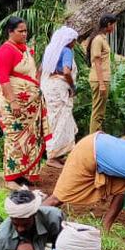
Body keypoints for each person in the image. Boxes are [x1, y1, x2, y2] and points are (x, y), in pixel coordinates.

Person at [0, 17, 47, 188]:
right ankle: (13, 176)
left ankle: (24, 172)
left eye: (26, 31)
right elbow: (4, 79)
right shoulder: (5, 51)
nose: (25, 34)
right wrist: (14, 102)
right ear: (10, 32)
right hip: (14, 105)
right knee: (14, 138)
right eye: (21, 31)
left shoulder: (25, 49)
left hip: (30, 109)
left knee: (30, 138)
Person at [39, 26, 79, 168]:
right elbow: (67, 71)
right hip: (59, 88)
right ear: (69, 40)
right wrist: (73, 87)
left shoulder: (51, 50)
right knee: (61, 120)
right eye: (74, 40)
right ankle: (53, 156)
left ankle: (56, 153)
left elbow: (41, 70)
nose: (75, 43)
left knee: (53, 119)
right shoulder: (67, 51)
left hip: (49, 87)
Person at [86, 14, 118, 134]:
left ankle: (97, 135)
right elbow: (97, 62)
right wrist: (101, 83)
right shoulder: (98, 39)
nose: (114, 27)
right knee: (98, 112)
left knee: (100, 111)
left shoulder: (102, 38)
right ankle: (93, 138)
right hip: (100, 79)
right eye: (113, 25)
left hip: (103, 78)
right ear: (108, 24)